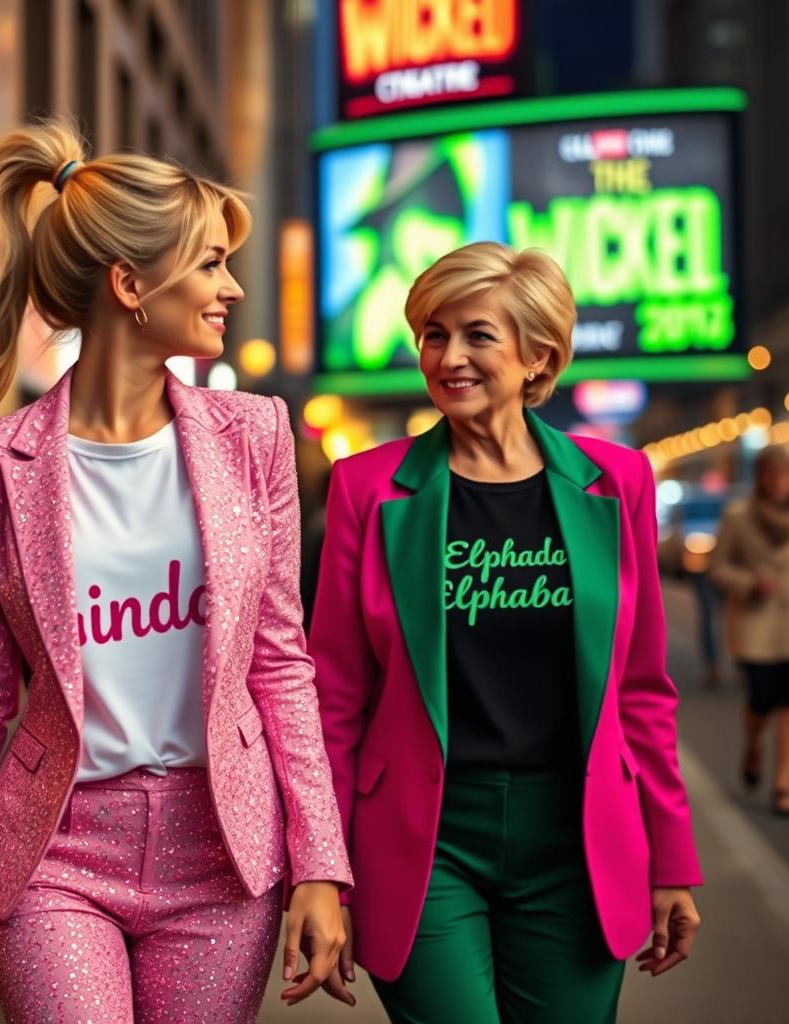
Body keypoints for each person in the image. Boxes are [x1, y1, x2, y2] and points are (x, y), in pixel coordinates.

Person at [0, 119, 351, 1023]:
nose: (231, 287)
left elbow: (281, 665)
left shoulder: (255, 437)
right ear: (131, 285)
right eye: (209, 264)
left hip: (223, 858)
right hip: (55, 856)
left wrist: (321, 864)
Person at [308, 242, 703, 1023]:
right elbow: (333, 700)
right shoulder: (369, 488)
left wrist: (671, 860)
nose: (448, 356)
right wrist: (319, 873)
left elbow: (642, 693)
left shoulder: (614, 482)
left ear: (537, 357)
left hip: (579, 844)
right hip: (425, 842)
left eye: (477, 335)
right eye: (433, 334)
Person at [710, 445, 789, 816]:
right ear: (759, 477)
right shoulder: (738, 516)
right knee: (761, 702)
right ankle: (754, 744)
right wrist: (748, 583)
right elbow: (718, 567)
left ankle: (783, 783)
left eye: (784, 475)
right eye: (772, 475)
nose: (779, 483)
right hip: (756, 626)